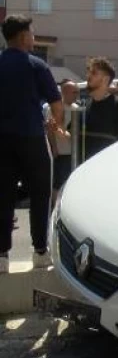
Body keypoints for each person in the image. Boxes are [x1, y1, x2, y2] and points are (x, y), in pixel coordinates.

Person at [0, 14, 63, 272]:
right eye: (32, 33)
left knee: (2, 196)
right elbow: (57, 105)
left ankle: (2, 256)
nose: (34, 38)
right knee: (40, 194)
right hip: (32, 138)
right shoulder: (37, 66)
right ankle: (39, 251)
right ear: (24, 36)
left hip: (1, 141)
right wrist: (54, 124)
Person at [79, 57, 118, 162]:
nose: (88, 76)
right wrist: (58, 130)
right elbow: (73, 137)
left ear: (106, 79)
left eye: (94, 73)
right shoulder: (85, 105)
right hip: (85, 171)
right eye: (89, 72)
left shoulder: (117, 106)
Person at [43, 79, 80, 204]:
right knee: (57, 183)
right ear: (65, 92)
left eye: (77, 92)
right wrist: (54, 149)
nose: (76, 95)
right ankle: (55, 207)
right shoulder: (53, 108)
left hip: (73, 152)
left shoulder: (77, 108)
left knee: (69, 181)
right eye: (74, 92)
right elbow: (50, 130)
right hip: (60, 152)